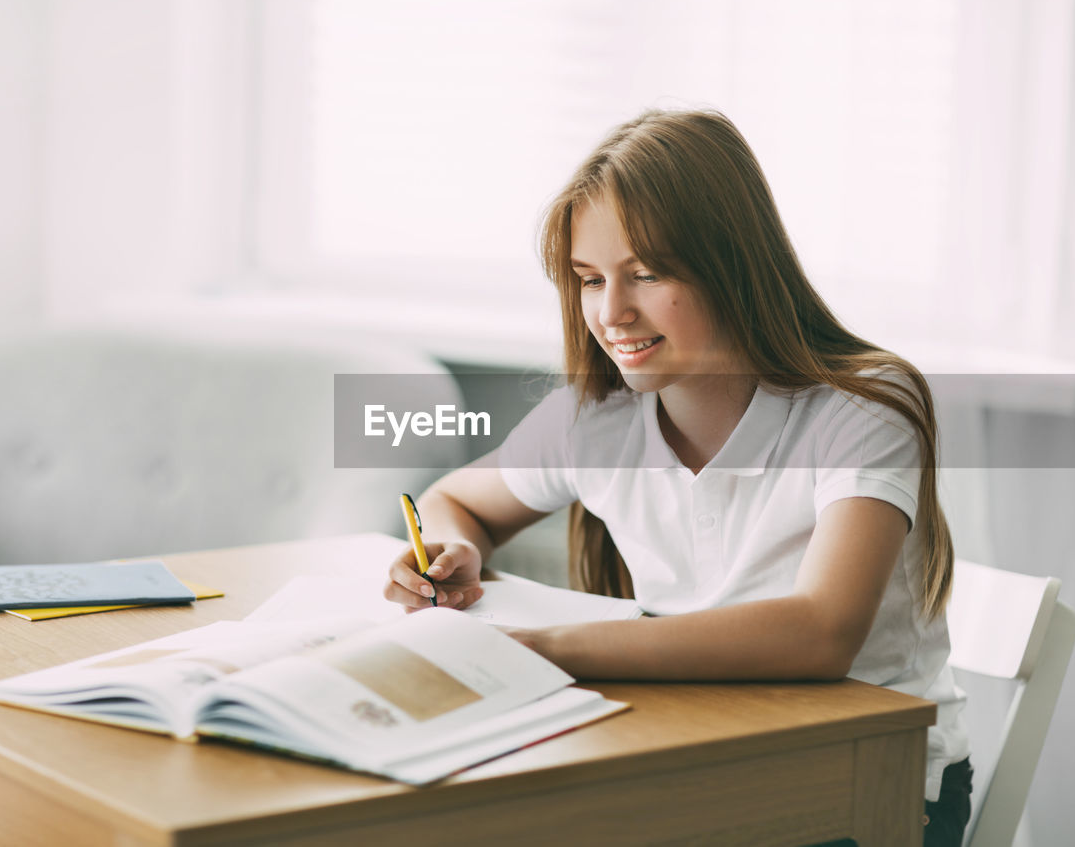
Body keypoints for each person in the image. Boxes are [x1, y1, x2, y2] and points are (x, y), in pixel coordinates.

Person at [383, 108, 972, 846]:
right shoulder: (592, 419)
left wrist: (549, 648)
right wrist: (451, 549)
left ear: (733, 262)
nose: (611, 312)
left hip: (872, 785)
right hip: (702, 758)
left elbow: (821, 632)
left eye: (647, 274)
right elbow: (455, 500)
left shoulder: (864, 407)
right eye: (590, 279)